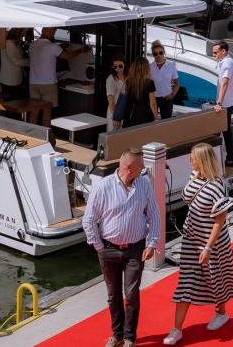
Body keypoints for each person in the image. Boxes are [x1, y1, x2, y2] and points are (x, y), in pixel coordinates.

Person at [163, 143, 233, 344]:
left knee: (216, 279)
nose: (190, 160)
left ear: (203, 161)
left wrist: (208, 247)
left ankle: (221, 313)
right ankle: (177, 329)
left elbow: (220, 220)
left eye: (193, 157)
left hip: (213, 243)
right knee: (185, 282)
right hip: (191, 239)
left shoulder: (218, 185)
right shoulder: (194, 176)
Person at [82, 148, 161, 347]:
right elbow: (89, 219)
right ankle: (117, 335)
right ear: (129, 167)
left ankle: (129, 338)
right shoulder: (103, 187)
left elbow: (154, 215)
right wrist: (99, 247)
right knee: (113, 295)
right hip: (108, 249)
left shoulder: (144, 185)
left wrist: (152, 243)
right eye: (141, 165)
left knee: (132, 295)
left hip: (135, 249)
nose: (144, 168)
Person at [28, 28, 89, 118]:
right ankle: (47, 132)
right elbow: (68, 56)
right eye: (53, 33)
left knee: (34, 110)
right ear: (50, 32)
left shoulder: (32, 45)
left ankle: (31, 132)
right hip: (48, 83)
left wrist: (61, 46)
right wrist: (81, 50)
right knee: (47, 111)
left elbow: (44, 52)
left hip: (33, 82)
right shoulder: (52, 46)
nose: (53, 35)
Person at [209, 41, 233, 163]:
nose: (213, 55)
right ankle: (228, 159)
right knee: (225, 130)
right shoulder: (227, 62)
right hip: (228, 102)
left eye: (215, 53)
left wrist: (219, 103)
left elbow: (225, 83)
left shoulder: (227, 64)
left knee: (221, 130)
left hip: (225, 104)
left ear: (223, 51)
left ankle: (219, 158)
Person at [114, 58, 158, 128]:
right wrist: (156, 118)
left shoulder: (128, 81)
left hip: (130, 114)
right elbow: (152, 104)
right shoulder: (150, 83)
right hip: (145, 115)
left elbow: (124, 99)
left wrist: (117, 117)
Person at [149, 41, 180, 120]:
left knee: (166, 123)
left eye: (160, 53)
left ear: (164, 53)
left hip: (167, 98)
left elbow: (176, 84)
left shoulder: (171, 67)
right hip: (153, 99)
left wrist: (172, 95)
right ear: (153, 55)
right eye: (155, 54)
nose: (158, 55)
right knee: (151, 122)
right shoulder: (149, 67)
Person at [0, 28, 30, 102]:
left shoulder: (16, 43)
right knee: (11, 102)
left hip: (16, 78)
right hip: (9, 79)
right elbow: (15, 61)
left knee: (16, 101)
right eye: (25, 31)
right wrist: (30, 62)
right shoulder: (9, 43)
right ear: (18, 31)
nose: (25, 34)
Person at [106, 53, 128, 128]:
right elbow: (110, 98)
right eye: (115, 66)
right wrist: (114, 116)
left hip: (125, 108)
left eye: (120, 66)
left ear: (124, 65)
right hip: (115, 109)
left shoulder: (129, 77)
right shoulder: (111, 79)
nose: (117, 68)